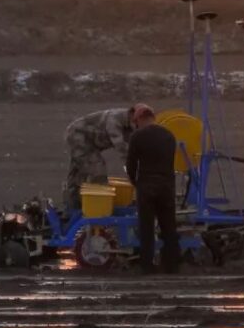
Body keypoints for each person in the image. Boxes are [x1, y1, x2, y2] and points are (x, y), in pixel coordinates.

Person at [62, 104, 153, 210]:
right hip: (78, 137)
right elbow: (122, 148)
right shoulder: (114, 119)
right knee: (97, 169)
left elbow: (133, 150)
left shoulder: (130, 126)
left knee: (78, 173)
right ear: (135, 117)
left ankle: (73, 206)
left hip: (90, 143)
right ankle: (97, 208)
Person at [125, 107, 180, 274]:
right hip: (166, 186)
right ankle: (171, 265)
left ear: (140, 119)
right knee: (169, 226)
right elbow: (170, 163)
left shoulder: (137, 137)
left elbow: (131, 165)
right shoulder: (169, 136)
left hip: (146, 186)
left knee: (146, 227)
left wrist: (136, 183)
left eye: (136, 122)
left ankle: (147, 266)